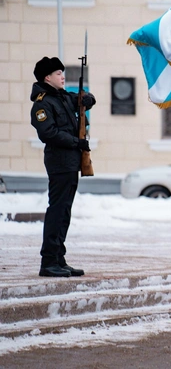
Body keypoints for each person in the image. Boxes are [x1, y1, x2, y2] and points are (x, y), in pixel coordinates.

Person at [30, 56, 96, 278]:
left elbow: (80, 99)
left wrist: (87, 99)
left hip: (71, 162)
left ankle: (59, 258)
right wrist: (76, 142)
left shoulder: (62, 98)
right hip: (59, 162)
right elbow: (48, 133)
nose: (62, 76)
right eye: (58, 74)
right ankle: (48, 261)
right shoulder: (43, 103)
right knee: (57, 211)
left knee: (64, 212)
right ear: (47, 77)